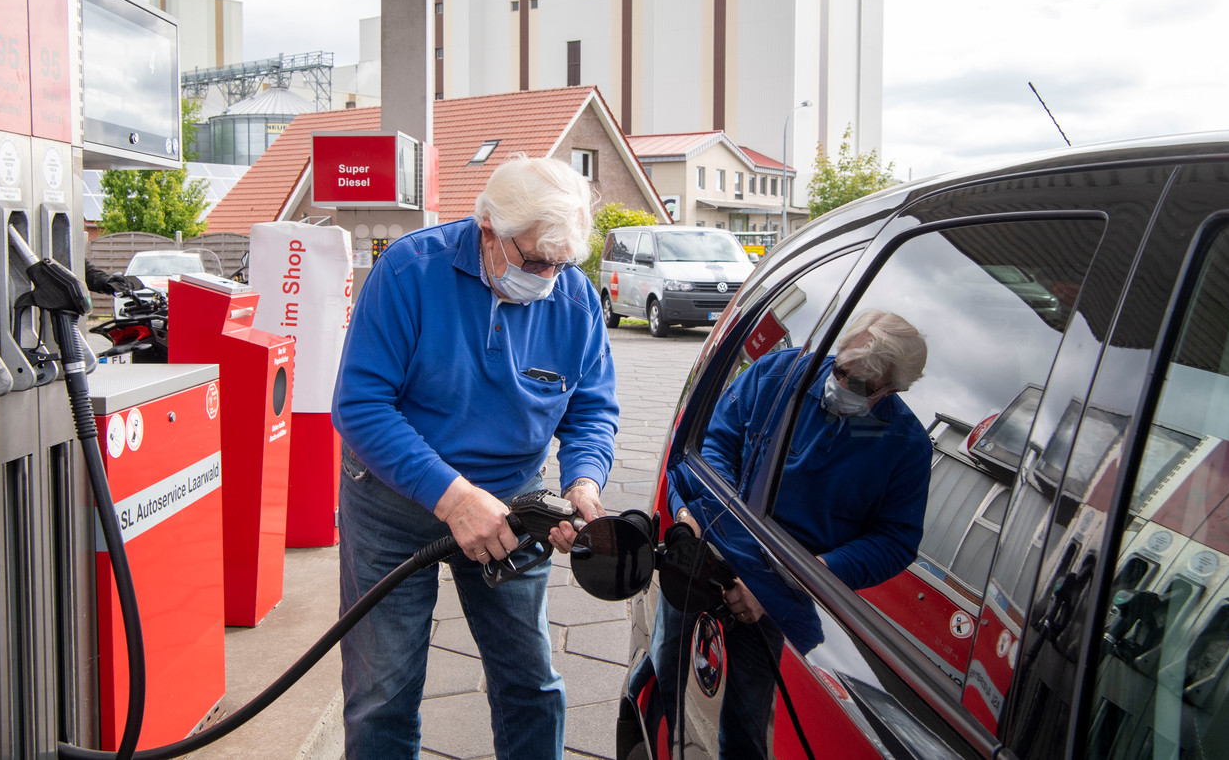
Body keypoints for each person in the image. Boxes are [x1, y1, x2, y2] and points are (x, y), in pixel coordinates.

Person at [331, 155, 619, 760]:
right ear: (487, 227)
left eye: (561, 264)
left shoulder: (574, 299)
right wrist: (454, 497)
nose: (548, 277)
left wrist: (585, 482)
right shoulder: (410, 271)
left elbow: (590, 408)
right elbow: (360, 406)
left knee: (531, 681)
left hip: (514, 506)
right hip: (393, 502)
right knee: (383, 691)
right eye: (536, 260)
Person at [656, 309, 931, 758]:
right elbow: (716, 443)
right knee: (667, 671)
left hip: (781, 595)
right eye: (839, 369)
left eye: (860, 385)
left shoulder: (904, 444)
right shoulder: (777, 375)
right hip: (711, 551)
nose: (840, 385)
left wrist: (796, 578)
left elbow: (896, 540)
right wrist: (715, 527)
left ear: (890, 391)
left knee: (747, 723)